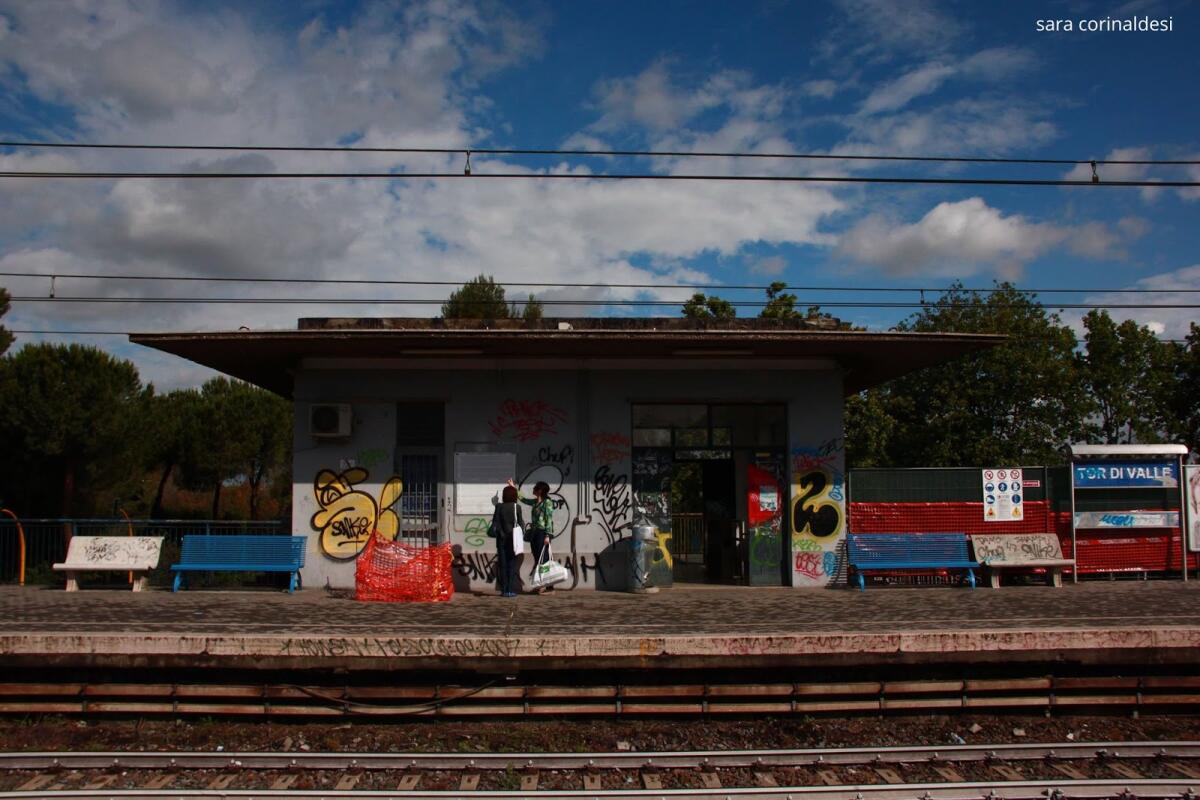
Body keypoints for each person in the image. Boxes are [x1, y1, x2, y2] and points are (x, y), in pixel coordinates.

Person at [508, 478, 554, 594]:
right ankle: (545, 585)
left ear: (539, 491)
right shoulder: (535, 502)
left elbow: (549, 519)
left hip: (543, 533)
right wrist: (513, 488)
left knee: (543, 560)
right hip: (535, 533)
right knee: (538, 558)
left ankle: (544, 586)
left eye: (535, 488)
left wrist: (547, 535)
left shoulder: (547, 503)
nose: (533, 489)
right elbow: (523, 499)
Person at [491, 485, 524, 598]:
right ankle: (510, 589)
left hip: (501, 540)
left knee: (503, 565)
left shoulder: (499, 507)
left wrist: (499, 532)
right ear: (515, 496)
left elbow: (495, 523)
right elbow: (521, 524)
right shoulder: (517, 507)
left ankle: (504, 590)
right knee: (512, 565)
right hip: (513, 540)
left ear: (504, 496)